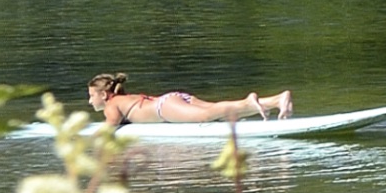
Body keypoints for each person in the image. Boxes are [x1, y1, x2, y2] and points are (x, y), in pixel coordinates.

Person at [86, 73, 293, 126]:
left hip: (164, 107)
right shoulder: (124, 99)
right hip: (174, 98)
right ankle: (276, 100)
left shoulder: (111, 104)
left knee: (206, 115)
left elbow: (110, 124)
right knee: (217, 112)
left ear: (103, 95)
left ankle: (250, 101)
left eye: (91, 96)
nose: (89, 102)